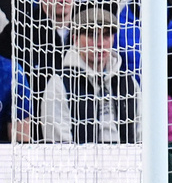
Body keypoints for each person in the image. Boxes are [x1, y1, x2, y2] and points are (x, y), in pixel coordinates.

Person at [39, 8, 139, 143]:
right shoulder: (59, 84)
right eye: (92, 35)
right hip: (78, 162)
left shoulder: (128, 82)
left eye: (106, 35)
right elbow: (58, 146)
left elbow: (142, 135)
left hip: (126, 160)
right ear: (75, 39)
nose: (100, 43)